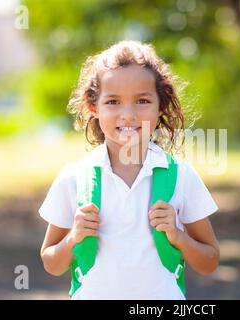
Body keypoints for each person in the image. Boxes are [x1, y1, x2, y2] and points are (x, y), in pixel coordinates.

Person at [39, 40, 220, 300]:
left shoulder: (181, 177)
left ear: (160, 107)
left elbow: (209, 261)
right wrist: (73, 238)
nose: (128, 114)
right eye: (113, 102)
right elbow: (51, 263)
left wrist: (178, 237)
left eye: (142, 101)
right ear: (94, 107)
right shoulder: (73, 178)